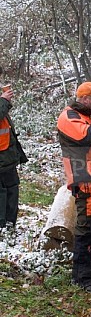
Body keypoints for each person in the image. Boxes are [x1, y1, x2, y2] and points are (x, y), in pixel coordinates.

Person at [57, 81, 91, 294]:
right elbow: (88, 138)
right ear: (84, 99)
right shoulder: (69, 117)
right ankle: (82, 276)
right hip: (84, 179)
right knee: (87, 229)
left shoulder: (86, 116)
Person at [0, 85, 28, 230]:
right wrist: (4, 101)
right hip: (2, 155)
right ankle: (3, 226)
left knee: (11, 189)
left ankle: (9, 224)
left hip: (6, 154)